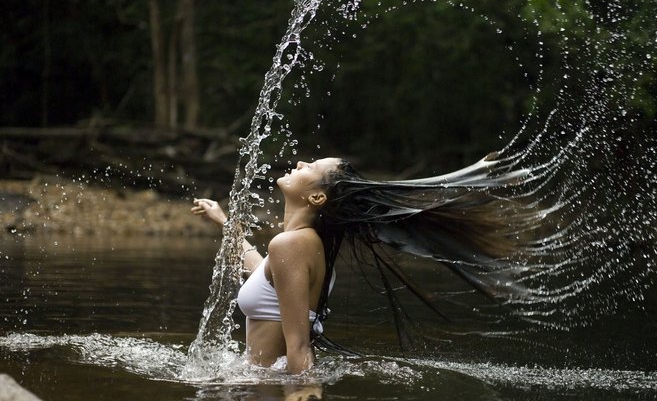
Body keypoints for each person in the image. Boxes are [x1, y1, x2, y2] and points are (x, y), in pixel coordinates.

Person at [192, 152, 548, 374]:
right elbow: (263, 275)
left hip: (263, 390)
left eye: (311, 166)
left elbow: (298, 348)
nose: (300, 163)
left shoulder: (292, 244)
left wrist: (302, 393)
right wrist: (226, 224)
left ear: (317, 196)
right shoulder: (301, 245)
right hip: (257, 384)